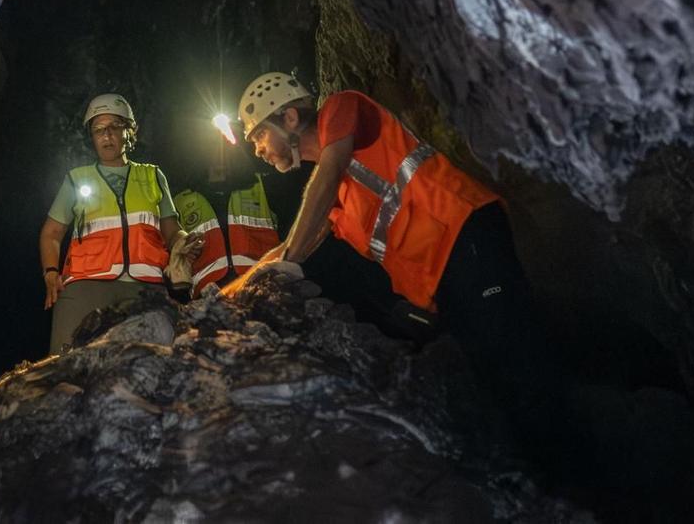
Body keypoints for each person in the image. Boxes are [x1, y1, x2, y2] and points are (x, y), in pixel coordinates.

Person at [229, 72, 564, 466]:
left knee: (516, 365)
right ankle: (533, 478)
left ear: (288, 118)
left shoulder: (343, 108)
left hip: (467, 235)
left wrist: (288, 262)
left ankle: (571, 476)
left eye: (258, 136)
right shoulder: (336, 199)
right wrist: (228, 295)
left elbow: (326, 178)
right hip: (445, 277)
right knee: (489, 377)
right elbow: (290, 247)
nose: (257, 149)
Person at [38, 93, 187, 353]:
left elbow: (171, 230)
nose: (106, 135)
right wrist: (50, 272)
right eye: (98, 130)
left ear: (130, 131)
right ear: (92, 137)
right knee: (65, 367)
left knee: (152, 364)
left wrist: (184, 242)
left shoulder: (152, 175)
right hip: (86, 287)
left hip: (145, 288)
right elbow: (51, 232)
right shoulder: (76, 178)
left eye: (114, 127)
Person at [171, 178, 279, 296]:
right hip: (206, 294)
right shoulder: (179, 200)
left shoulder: (264, 185)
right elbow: (172, 251)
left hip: (261, 286)